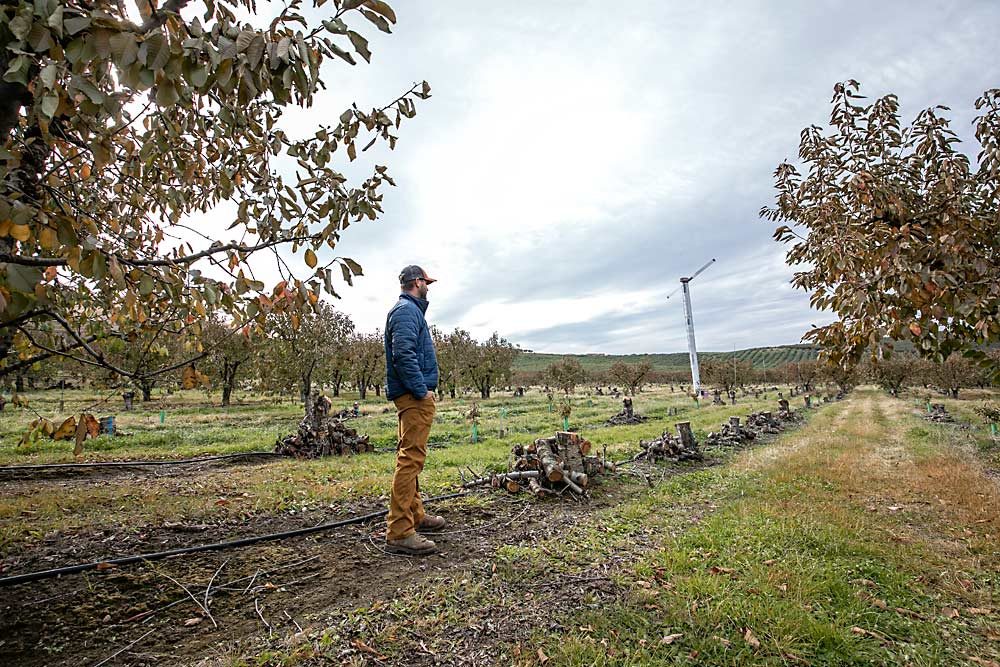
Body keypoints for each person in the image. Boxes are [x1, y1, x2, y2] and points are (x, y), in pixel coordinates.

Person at [383, 265, 446, 555]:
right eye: (426, 282)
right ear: (417, 282)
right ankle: (399, 531)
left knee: (411, 457)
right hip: (413, 396)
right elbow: (403, 353)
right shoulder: (407, 311)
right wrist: (421, 390)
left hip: (411, 395)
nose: (428, 287)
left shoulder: (409, 311)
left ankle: (415, 515)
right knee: (411, 460)